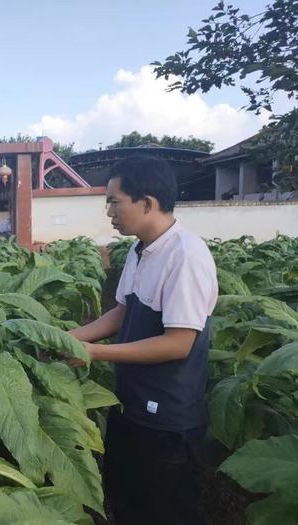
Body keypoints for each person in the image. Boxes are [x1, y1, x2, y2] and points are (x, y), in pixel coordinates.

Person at [68, 156, 218, 525]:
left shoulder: (185, 255)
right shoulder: (140, 250)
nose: (108, 212)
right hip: (130, 404)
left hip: (167, 416)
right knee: (127, 499)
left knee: (167, 510)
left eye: (115, 201)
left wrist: (93, 353)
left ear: (146, 203)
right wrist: (67, 337)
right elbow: (121, 313)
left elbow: (178, 343)